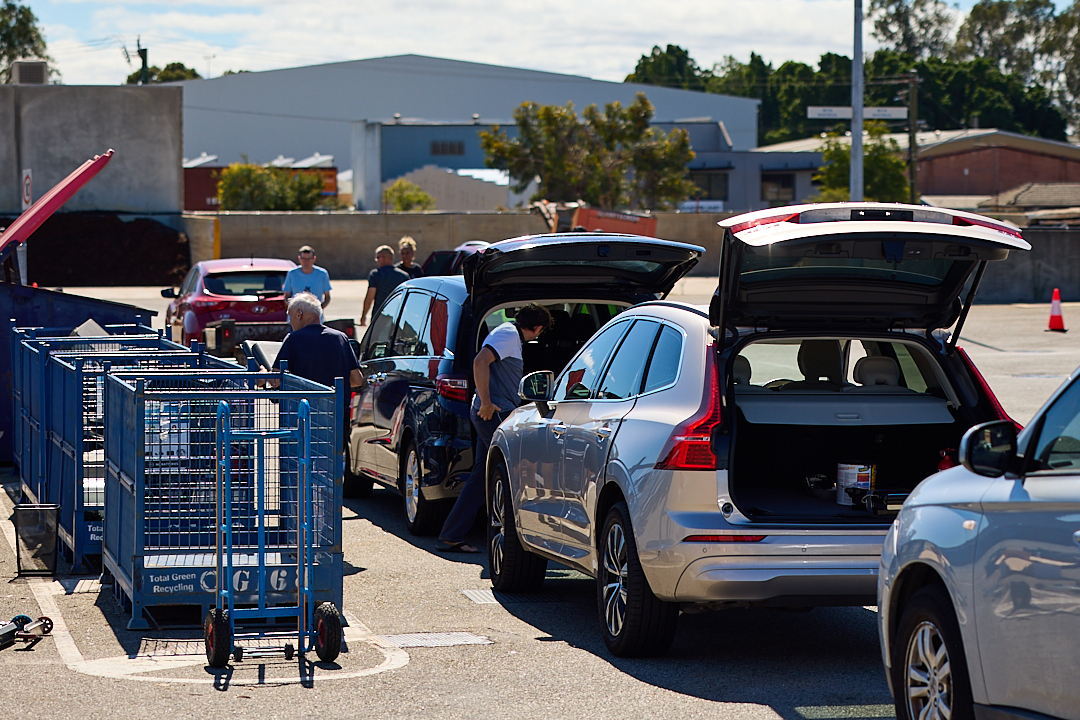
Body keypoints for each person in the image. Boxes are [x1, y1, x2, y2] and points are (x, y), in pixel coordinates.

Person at [436, 303, 552, 553]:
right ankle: (519, 536)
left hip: (494, 413)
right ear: (538, 328)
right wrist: (486, 403)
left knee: (482, 474)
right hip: (493, 414)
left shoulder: (508, 334)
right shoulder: (508, 335)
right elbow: (480, 362)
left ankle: (452, 533)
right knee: (510, 472)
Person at [274, 292, 363, 391]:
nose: (290, 322)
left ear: (299, 315)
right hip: (336, 400)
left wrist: (263, 373)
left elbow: (275, 380)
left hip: (304, 400)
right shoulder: (341, 338)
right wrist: (329, 387)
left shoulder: (292, 339)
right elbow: (357, 380)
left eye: (290, 317)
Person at [361, 245, 409, 326]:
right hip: (398, 318)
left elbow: (369, 298)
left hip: (379, 317)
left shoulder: (376, 274)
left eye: (377, 258)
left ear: (382, 258)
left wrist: (363, 316)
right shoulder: (404, 276)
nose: (376, 261)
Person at [283, 245, 332, 309]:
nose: (306, 262)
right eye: (304, 259)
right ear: (299, 259)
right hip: (297, 312)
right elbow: (287, 295)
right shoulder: (292, 274)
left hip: (315, 312)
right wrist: (293, 308)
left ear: (314, 259)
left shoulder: (322, 274)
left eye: (309, 259)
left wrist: (318, 309)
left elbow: (327, 297)